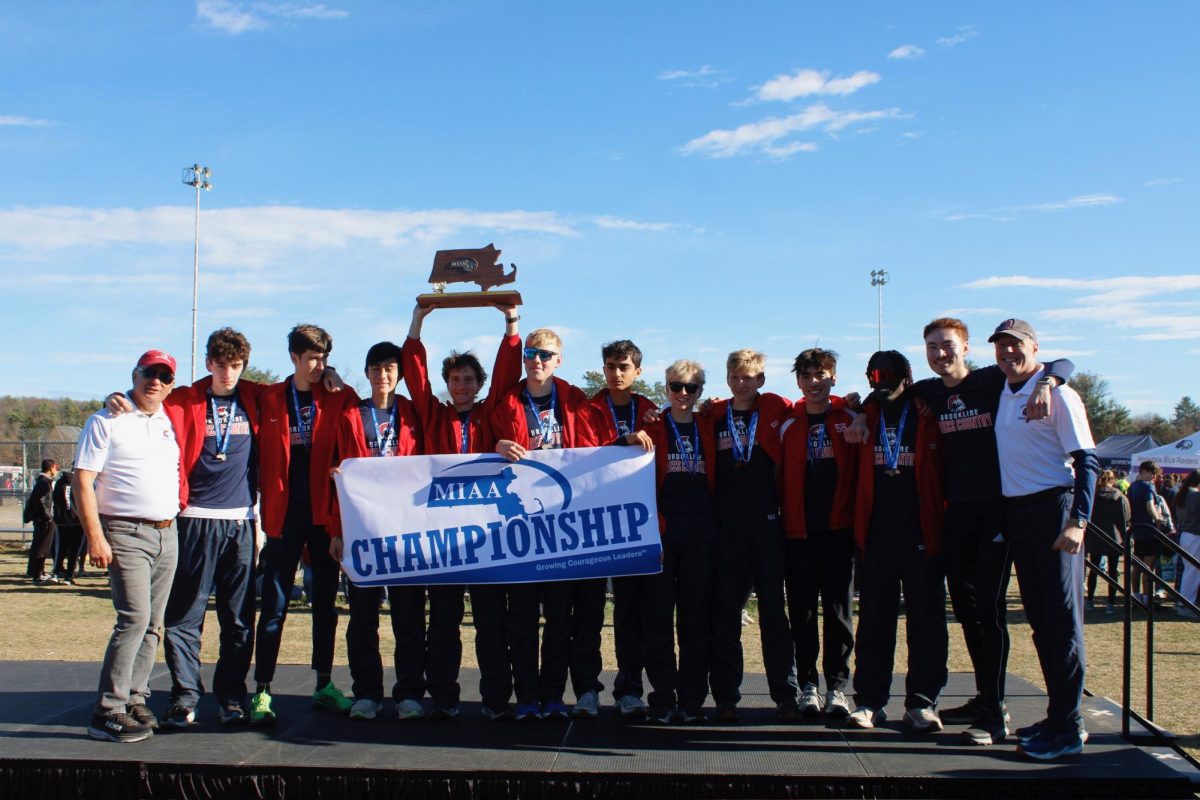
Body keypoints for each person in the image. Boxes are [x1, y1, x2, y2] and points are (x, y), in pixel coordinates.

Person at [906, 318, 1070, 745]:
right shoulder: (926, 391)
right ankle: (984, 698)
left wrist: (1049, 382)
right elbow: (882, 394)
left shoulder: (989, 379)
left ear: (965, 347)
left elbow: (1059, 362)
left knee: (990, 613)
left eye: (947, 345)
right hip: (956, 513)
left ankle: (996, 715)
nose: (940, 354)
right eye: (932, 347)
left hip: (998, 513)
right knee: (964, 609)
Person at [402, 303, 524, 720]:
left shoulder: (490, 412)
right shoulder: (434, 414)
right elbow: (415, 378)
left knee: (492, 623)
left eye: (469, 380)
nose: (461, 386)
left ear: (478, 383)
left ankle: (494, 699)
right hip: (445, 538)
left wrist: (510, 323)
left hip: (488, 535)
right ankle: (444, 695)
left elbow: (508, 374)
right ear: (447, 382)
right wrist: (419, 321)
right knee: (444, 623)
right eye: (455, 379)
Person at [990, 318, 1098, 761]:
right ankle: (1058, 716)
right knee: (1039, 622)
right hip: (1019, 515)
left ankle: (1069, 726)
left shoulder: (1059, 393)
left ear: (1035, 347)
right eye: (1001, 347)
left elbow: (1087, 461)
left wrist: (1078, 522)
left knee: (1063, 624)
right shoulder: (1004, 389)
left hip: (1055, 509)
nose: (1008, 354)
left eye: (1016, 346)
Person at [251, 324, 360, 724]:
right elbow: (218, 387)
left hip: (323, 518)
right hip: (283, 518)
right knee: (275, 607)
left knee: (325, 607)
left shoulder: (337, 396)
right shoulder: (268, 397)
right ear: (294, 358)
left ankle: (324, 685)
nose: (319, 366)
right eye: (312, 358)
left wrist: (336, 526)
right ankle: (262, 690)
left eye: (324, 359)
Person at [491, 327, 601, 720]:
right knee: (521, 619)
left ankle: (553, 696)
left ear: (559, 360)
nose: (536, 360)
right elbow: (482, 443)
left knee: (559, 619)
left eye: (545, 354)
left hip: (564, 531)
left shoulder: (577, 401)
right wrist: (498, 444)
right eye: (531, 353)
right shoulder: (506, 401)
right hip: (521, 529)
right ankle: (526, 698)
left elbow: (595, 452)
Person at [74, 350, 181, 742]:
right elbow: (83, 480)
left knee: (154, 624)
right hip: (124, 531)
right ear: (134, 375)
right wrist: (95, 535)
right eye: (148, 373)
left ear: (172, 385)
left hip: (167, 532)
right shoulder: (107, 419)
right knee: (133, 618)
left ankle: (135, 696)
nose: (155, 381)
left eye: (164, 376)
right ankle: (108, 709)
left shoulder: (169, 420)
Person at [845, 351, 948, 734]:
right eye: (875, 379)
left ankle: (922, 702)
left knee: (926, 621)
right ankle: (870, 702)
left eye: (889, 378)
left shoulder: (926, 411)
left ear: (907, 377)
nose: (881, 385)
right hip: (876, 536)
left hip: (922, 534)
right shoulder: (866, 414)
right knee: (874, 623)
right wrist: (858, 410)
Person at [327, 341, 424, 720]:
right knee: (363, 618)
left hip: (406, 532)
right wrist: (336, 529)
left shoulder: (415, 414)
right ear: (366, 373)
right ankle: (367, 692)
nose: (383, 375)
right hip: (362, 530)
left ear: (399, 374)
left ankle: (410, 693)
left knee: (408, 616)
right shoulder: (350, 413)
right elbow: (336, 473)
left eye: (390, 369)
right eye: (376, 368)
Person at [707, 349, 800, 722]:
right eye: (736, 377)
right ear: (727, 379)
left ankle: (786, 693)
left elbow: (813, 404)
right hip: (727, 528)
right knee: (726, 614)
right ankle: (726, 696)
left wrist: (849, 401)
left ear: (761, 380)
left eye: (749, 377)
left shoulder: (776, 406)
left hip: (766, 525)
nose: (742, 383)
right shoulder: (714, 414)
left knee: (774, 615)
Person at [778, 348, 857, 718]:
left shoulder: (851, 417)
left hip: (838, 531)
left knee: (839, 612)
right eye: (807, 376)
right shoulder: (787, 424)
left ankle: (838, 688)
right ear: (798, 382)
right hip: (798, 533)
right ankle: (808, 684)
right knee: (803, 614)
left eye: (821, 375)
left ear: (833, 378)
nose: (814, 383)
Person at [641, 360, 716, 723]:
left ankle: (692, 699)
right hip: (662, 536)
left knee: (695, 621)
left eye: (692, 388)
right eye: (676, 386)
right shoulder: (652, 426)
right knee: (657, 619)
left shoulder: (711, 424)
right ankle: (662, 695)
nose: (683, 394)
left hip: (701, 536)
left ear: (701, 391)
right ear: (666, 387)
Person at [588, 339, 657, 719]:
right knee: (588, 615)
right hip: (589, 526)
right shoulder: (587, 408)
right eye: (611, 366)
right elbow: (581, 452)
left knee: (631, 614)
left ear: (637, 372)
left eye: (624, 366)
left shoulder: (649, 410)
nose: (616, 373)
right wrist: (621, 442)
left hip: (632, 528)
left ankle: (629, 689)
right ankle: (586, 688)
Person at [1087, 470, 1129, 614]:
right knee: (1113, 571)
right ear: (1113, 480)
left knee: (1094, 570)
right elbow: (1123, 520)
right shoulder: (1119, 497)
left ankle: (1090, 600)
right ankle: (1110, 603)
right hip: (1114, 537)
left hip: (1095, 536)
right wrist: (1125, 538)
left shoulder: (1093, 495)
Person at [1128, 460, 1167, 606]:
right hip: (1149, 531)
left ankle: (1135, 595)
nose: (1153, 477)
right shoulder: (1147, 486)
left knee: (1137, 565)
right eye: (1152, 473)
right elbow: (1150, 505)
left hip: (1137, 530)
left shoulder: (1132, 487)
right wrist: (1158, 520)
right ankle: (1146, 598)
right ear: (1144, 471)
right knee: (1148, 566)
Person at [23, 459, 59, 584]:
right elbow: (40, 501)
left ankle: (35, 571)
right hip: (44, 520)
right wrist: (48, 516)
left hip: (41, 519)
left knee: (38, 545)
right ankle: (38, 574)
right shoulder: (44, 482)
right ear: (52, 467)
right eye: (56, 468)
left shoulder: (41, 481)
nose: (56, 471)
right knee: (42, 547)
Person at [1172, 470, 1200, 618]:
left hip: (1185, 535)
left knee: (1189, 571)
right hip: (1195, 535)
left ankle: (1183, 602)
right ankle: (1186, 604)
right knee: (1193, 572)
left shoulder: (1182, 495)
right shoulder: (1195, 496)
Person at [52, 467, 84, 583]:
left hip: (62, 521)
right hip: (76, 522)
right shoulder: (79, 482)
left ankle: (56, 573)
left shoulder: (59, 483)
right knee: (74, 551)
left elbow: (55, 502)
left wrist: (57, 516)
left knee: (61, 549)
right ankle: (69, 577)